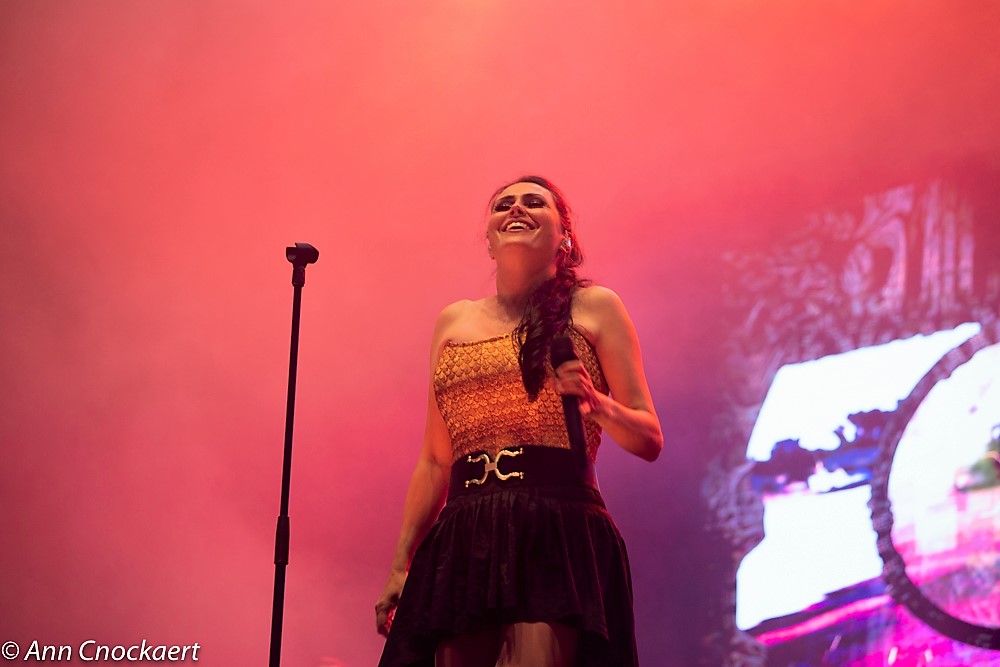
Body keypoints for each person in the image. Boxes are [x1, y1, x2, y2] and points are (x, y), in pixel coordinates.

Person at [375, 175, 662, 666]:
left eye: (534, 202)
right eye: (503, 204)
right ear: (488, 241)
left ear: (565, 237)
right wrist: (402, 562)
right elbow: (435, 461)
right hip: (466, 530)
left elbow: (649, 437)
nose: (516, 209)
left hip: (553, 524)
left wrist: (596, 403)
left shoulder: (596, 306)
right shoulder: (453, 321)